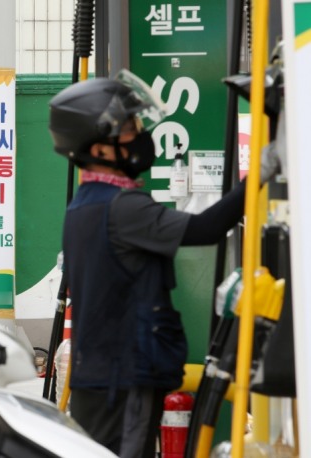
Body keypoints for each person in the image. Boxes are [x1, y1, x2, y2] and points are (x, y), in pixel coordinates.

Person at [47, 70, 280, 457]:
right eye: (129, 128)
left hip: (101, 376)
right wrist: (259, 173)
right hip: (125, 377)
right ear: (99, 149)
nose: (140, 135)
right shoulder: (123, 208)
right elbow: (207, 228)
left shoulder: (84, 205)